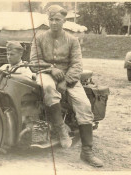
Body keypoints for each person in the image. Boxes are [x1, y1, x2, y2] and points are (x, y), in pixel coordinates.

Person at [30, 5, 103, 167]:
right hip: (46, 74)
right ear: (47, 20)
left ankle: (87, 152)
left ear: (64, 21)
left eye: (57, 19)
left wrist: (66, 81)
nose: (54, 22)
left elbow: (77, 65)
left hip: (69, 78)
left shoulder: (72, 40)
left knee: (84, 106)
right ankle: (61, 128)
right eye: (51, 19)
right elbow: (34, 62)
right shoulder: (39, 38)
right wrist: (51, 68)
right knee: (48, 87)